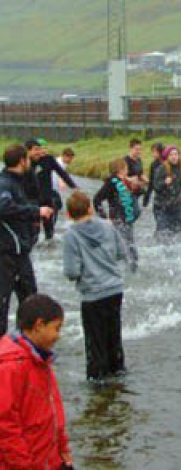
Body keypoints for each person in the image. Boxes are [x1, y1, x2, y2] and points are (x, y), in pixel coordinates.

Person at [0, 294, 73, 469]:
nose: (58, 336)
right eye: (56, 328)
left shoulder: (41, 360)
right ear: (39, 325)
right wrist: (23, 465)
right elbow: (5, 426)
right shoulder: (10, 367)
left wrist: (63, 451)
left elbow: (55, 410)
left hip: (47, 459)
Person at [63, 190, 127, 383]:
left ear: (68, 214)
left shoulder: (71, 235)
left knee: (95, 343)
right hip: (115, 289)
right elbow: (121, 252)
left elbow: (72, 271)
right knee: (114, 337)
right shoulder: (107, 227)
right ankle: (119, 375)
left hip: (92, 295)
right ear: (90, 208)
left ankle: (97, 384)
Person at [0, 145, 53, 336]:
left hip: (19, 251)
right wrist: (35, 212)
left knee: (30, 300)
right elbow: (3, 207)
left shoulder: (17, 180)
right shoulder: (5, 183)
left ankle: (27, 344)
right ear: (22, 160)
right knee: (3, 303)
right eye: (28, 160)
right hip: (7, 254)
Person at [93, 159, 140, 272]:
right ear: (121, 170)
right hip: (117, 221)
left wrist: (136, 185)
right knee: (122, 248)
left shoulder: (125, 182)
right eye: (126, 168)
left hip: (128, 221)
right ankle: (115, 269)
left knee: (131, 249)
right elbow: (97, 199)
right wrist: (104, 217)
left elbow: (137, 195)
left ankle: (132, 270)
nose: (127, 170)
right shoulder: (111, 183)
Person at [26, 139, 77, 241]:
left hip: (47, 199)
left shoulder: (48, 159)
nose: (39, 152)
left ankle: (49, 248)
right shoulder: (24, 163)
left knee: (49, 232)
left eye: (40, 149)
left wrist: (73, 186)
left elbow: (62, 173)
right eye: (36, 150)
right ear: (28, 151)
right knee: (33, 233)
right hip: (32, 202)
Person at [152, 145, 181, 235]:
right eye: (171, 155)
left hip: (175, 207)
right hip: (161, 207)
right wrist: (164, 183)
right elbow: (156, 187)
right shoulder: (161, 169)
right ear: (167, 157)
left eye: (176, 154)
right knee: (163, 232)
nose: (174, 157)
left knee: (178, 232)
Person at [51, 147, 76, 233]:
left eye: (72, 159)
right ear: (65, 156)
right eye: (70, 158)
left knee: (57, 206)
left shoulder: (59, 162)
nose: (70, 161)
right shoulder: (59, 163)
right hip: (52, 190)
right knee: (56, 206)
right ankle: (51, 228)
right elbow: (59, 173)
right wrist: (61, 182)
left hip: (53, 190)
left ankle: (51, 227)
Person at [143, 142, 165, 209]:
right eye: (152, 152)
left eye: (154, 152)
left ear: (160, 152)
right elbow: (151, 182)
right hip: (158, 191)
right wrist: (146, 197)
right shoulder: (153, 164)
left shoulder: (167, 163)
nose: (153, 154)